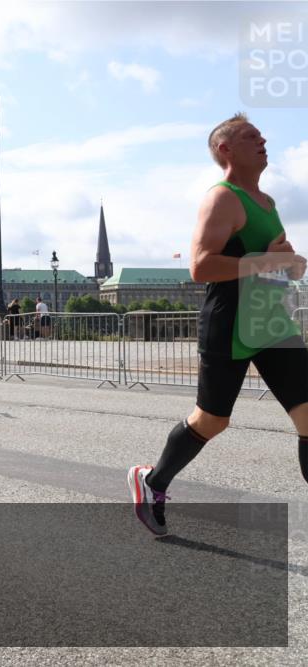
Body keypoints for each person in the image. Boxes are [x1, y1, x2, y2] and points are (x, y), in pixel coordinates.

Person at [129, 113, 308, 537]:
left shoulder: (268, 203)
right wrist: (269, 261)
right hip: (229, 322)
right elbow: (201, 266)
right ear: (225, 149)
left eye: (261, 135)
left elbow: (274, 266)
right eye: (250, 136)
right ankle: (152, 481)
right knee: (212, 420)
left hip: (271, 321)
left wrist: (291, 265)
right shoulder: (222, 198)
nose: (263, 140)